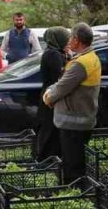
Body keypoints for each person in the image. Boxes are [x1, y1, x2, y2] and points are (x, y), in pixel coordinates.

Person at [43, 22, 101, 183]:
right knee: (76, 162)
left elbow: (62, 87)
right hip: (81, 119)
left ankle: (76, 196)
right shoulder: (89, 57)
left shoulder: (81, 63)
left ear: (76, 40)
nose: (68, 41)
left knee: (72, 166)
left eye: (71, 38)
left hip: (73, 122)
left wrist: (47, 96)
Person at [34, 26, 69, 161]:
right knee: (50, 130)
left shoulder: (52, 52)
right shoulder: (53, 55)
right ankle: (47, 159)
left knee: (48, 129)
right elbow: (59, 77)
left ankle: (46, 157)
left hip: (48, 94)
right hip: (51, 97)